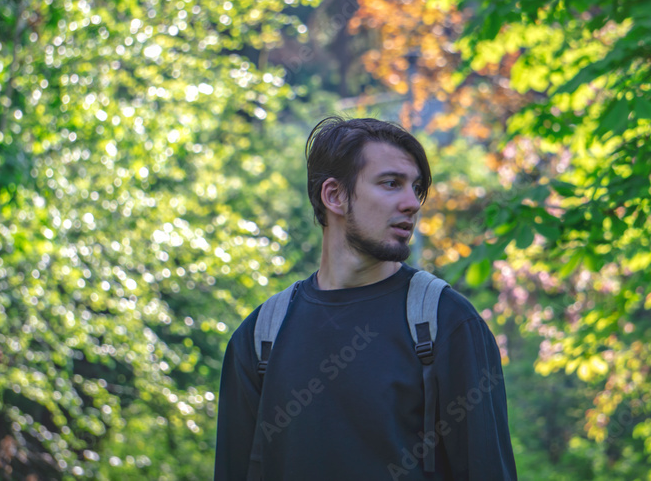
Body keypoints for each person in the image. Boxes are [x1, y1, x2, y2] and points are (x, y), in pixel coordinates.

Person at [214, 117, 517, 480]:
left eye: (415, 187)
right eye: (391, 183)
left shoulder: (445, 322)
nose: (412, 204)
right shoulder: (262, 335)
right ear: (334, 196)